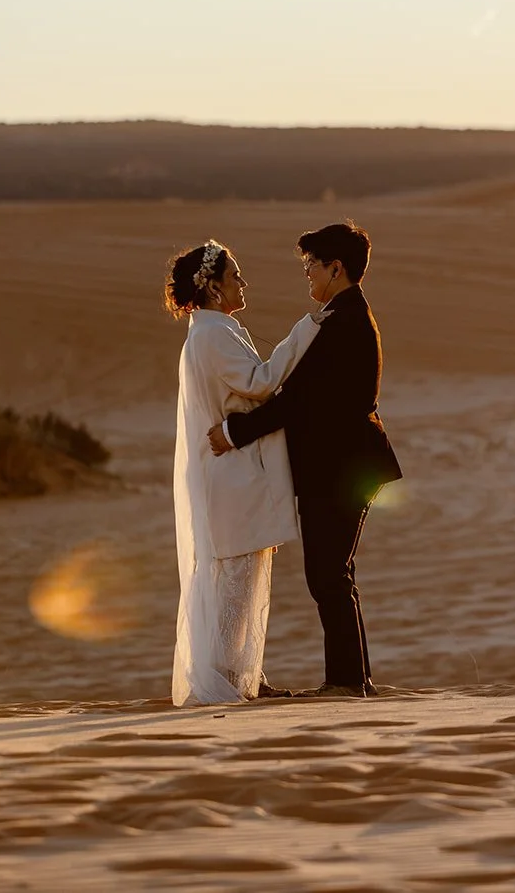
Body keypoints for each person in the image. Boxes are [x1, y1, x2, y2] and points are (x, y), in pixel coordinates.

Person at [209, 221, 402, 699]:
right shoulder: (342, 316)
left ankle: (347, 682)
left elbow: (297, 401)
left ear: (336, 268)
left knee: (329, 575)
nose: (308, 276)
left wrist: (234, 432)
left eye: (311, 266)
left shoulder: (342, 323)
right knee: (334, 574)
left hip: (343, 469)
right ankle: (352, 679)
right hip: (340, 468)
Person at [165, 240, 325, 706]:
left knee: (243, 579)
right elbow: (258, 384)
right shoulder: (213, 335)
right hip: (234, 477)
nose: (242, 282)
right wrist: (302, 333)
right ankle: (225, 681)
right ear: (213, 288)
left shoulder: (214, 330)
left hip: (237, 476)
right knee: (235, 583)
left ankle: (243, 675)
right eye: (235, 275)